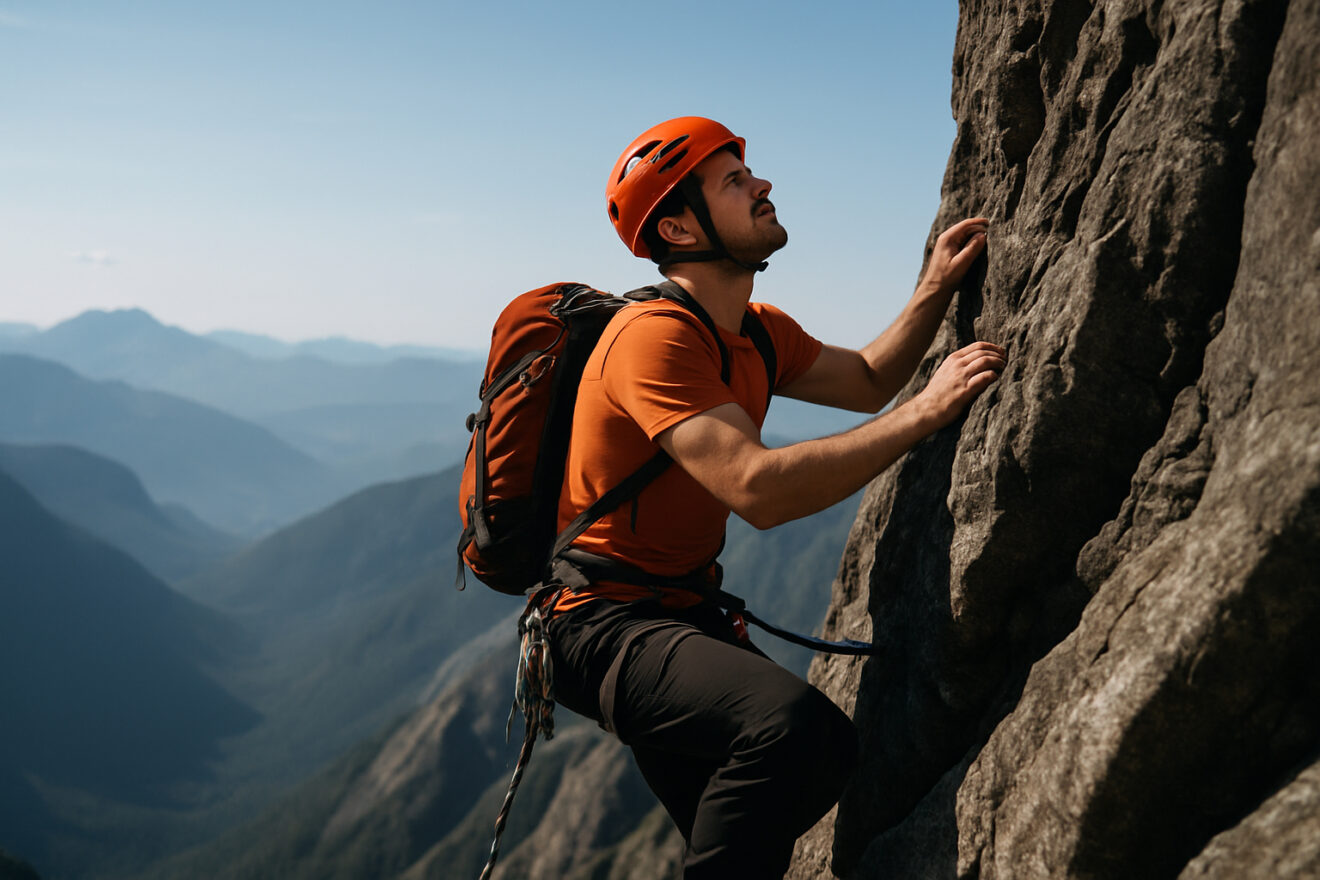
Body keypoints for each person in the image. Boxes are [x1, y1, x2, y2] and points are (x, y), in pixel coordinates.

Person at [541, 117, 1003, 879]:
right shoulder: (652, 339)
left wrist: (933, 289)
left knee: (753, 827)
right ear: (681, 227)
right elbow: (756, 488)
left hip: (676, 613)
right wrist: (927, 412)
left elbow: (866, 380)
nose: (762, 184)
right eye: (734, 181)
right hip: (600, 624)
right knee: (797, 735)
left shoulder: (754, 333)